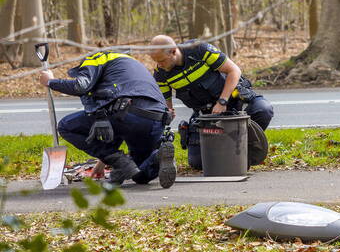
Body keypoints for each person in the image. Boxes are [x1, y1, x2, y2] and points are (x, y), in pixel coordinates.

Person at [39, 50, 176, 188]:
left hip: (126, 112)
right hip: (156, 120)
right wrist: (102, 162)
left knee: (66, 126)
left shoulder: (95, 58)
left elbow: (81, 85)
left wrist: (50, 81)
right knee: (139, 173)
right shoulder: (130, 64)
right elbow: (116, 132)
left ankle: (121, 162)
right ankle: (158, 156)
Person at [148, 35, 273, 170]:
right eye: (156, 61)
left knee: (263, 109)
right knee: (198, 163)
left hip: (233, 100)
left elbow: (234, 70)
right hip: (206, 115)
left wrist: (222, 101)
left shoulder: (198, 49)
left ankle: (242, 153)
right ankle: (226, 153)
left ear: (173, 51)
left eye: (161, 61)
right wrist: (168, 114)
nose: (159, 65)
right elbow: (167, 106)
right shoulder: (161, 74)